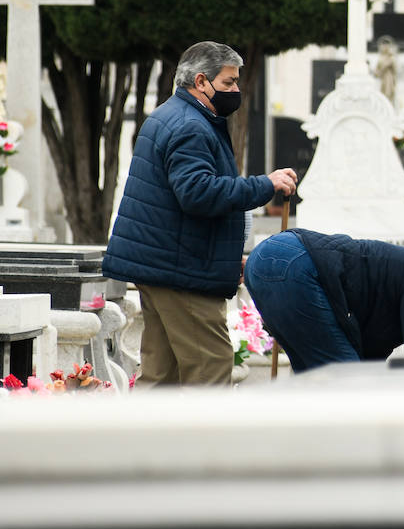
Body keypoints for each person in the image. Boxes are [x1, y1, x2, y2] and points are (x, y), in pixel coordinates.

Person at [103, 41, 298, 386]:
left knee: (161, 374)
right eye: (228, 83)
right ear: (200, 81)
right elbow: (197, 193)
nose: (236, 90)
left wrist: (225, 258)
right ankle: (210, 442)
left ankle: (141, 440)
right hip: (181, 270)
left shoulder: (174, 115)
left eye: (236, 82)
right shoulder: (190, 125)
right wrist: (264, 185)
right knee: (211, 367)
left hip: (165, 262)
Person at [244, 231, 404, 372]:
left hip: (269, 258)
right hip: (293, 263)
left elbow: (372, 350)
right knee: (348, 380)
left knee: (314, 376)